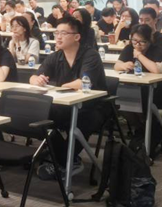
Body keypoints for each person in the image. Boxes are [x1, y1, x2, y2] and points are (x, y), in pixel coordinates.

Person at [30, 17, 106, 179]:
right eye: (56, 33)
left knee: (81, 122)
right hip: (66, 105)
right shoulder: (56, 56)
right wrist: (37, 80)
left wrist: (62, 87)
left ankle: (63, 160)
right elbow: (34, 77)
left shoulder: (90, 55)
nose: (58, 37)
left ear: (77, 37)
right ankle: (65, 159)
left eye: (63, 33)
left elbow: (84, 82)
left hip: (93, 107)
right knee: (38, 116)